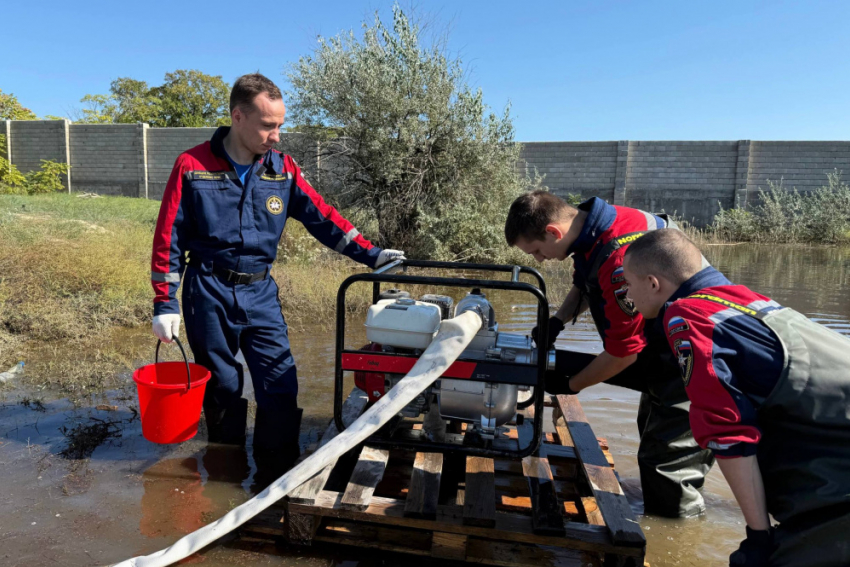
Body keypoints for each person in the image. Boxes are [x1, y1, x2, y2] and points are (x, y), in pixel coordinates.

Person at [150, 73, 404, 482]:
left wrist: (371, 254)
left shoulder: (282, 169)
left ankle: (277, 474)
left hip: (260, 292)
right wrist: (165, 302)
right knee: (222, 385)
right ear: (238, 117)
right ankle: (227, 472)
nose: (277, 135)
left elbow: (323, 218)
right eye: (268, 125)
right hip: (208, 291)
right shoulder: (192, 166)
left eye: (280, 125)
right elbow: (168, 237)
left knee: (279, 381)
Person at [622, 229, 850, 567]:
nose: (626, 294)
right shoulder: (744, 298)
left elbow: (727, 434)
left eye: (628, 283)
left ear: (653, 283)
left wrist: (758, 535)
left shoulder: (686, 316)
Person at [504, 190, 714, 518]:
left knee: (667, 467)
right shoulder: (595, 228)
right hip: (668, 355)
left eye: (537, 251)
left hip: (698, 362)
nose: (540, 260)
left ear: (553, 232)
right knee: (653, 440)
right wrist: (557, 321)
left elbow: (623, 354)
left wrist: (572, 385)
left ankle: (678, 532)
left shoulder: (618, 259)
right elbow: (586, 285)